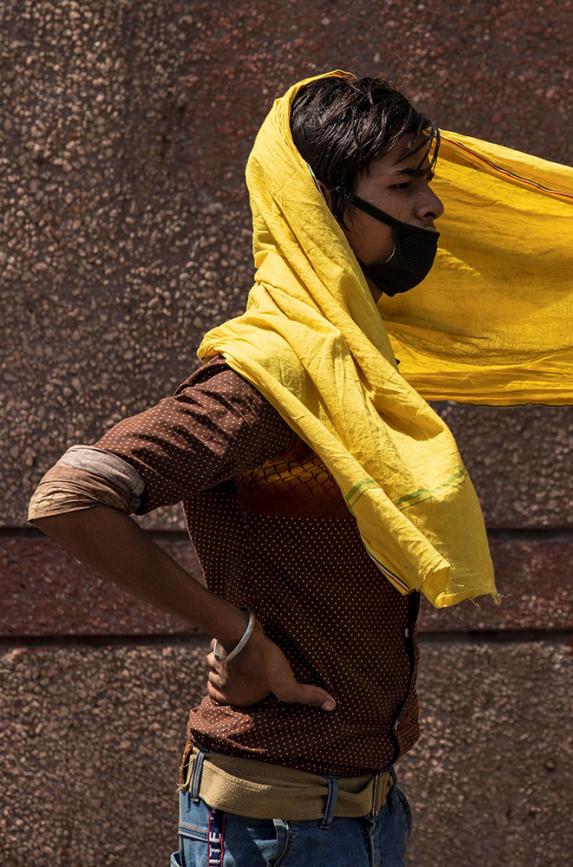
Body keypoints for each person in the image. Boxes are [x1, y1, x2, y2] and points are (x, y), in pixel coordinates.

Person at [28, 74, 455, 867]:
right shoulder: (270, 378)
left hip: (363, 813)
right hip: (280, 832)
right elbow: (69, 496)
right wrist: (240, 632)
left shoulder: (352, 367)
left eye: (426, 181)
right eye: (404, 184)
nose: (430, 207)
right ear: (324, 208)